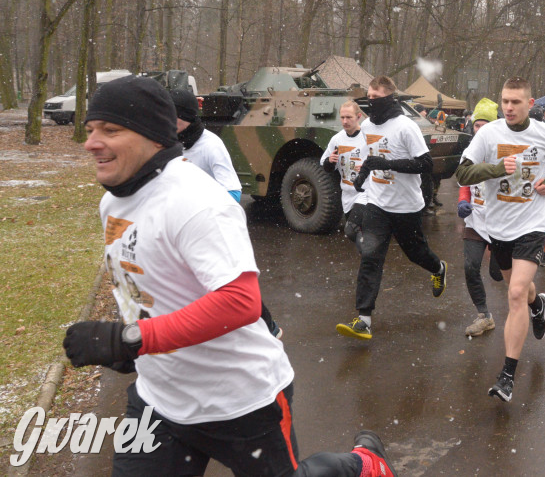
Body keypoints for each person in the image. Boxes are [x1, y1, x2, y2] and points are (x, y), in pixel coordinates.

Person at [63, 75, 395, 476]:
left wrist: (131, 338)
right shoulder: (111, 204)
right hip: (159, 400)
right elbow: (148, 289)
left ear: (152, 135)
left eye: (110, 130)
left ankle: (364, 465)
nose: (91, 142)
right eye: (92, 130)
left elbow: (239, 303)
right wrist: (131, 347)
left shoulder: (197, 202)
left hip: (239, 399)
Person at [455, 77, 545, 402]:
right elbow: (462, 173)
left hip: (532, 223)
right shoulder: (488, 134)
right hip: (498, 226)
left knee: (515, 293)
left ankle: (507, 376)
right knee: (519, 291)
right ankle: (538, 304)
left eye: (516, 102)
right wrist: (494, 169)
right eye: (505, 101)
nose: (509, 107)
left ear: (530, 104)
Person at [336, 76, 448, 341]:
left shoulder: (405, 127)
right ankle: (363, 320)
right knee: (371, 256)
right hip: (377, 202)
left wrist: (386, 164)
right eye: (368, 97)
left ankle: (439, 269)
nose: (369, 102)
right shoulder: (366, 125)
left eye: (375, 98)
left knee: (415, 253)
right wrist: (363, 175)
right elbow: (369, 155)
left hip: (406, 206)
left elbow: (425, 165)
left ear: (389, 98)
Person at [170, 88, 282, 340]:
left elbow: (233, 191)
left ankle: (269, 328)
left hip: (213, 226)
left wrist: (204, 210)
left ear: (186, 117)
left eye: (172, 117)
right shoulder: (171, 142)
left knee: (230, 283)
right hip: (184, 226)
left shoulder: (211, 145)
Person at [457, 98, 501, 338]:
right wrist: (463, 201)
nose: (480, 129)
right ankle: (484, 315)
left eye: (485, 125)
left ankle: (531, 300)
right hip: (474, 219)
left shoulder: (502, 151)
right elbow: (464, 181)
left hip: (500, 222)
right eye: (476, 125)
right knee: (470, 267)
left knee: (497, 273)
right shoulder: (469, 152)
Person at [320, 100, 368, 245]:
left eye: (349, 117)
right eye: (342, 117)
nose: (345, 121)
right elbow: (325, 165)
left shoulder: (367, 137)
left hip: (366, 192)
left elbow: (381, 160)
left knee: (352, 229)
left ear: (358, 117)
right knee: (356, 235)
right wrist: (330, 161)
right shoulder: (337, 139)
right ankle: (371, 262)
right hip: (347, 194)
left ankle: (371, 263)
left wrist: (367, 167)